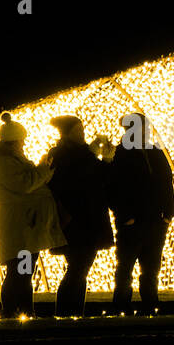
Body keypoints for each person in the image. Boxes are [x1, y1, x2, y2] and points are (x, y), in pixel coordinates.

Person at [0, 112, 66, 316]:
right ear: (14, 141)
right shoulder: (2, 162)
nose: (23, 143)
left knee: (25, 272)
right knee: (19, 272)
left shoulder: (11, 159)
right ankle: (12, 311)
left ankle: (24, 311)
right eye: (21, 140)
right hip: (19, 228)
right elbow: (25, 184)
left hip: (26, 228)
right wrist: (45, 169)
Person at [107, 112, 174, 314]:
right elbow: (113, 188)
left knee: (151, 266)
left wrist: (167, 213)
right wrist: (125, 216)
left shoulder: (155, 151)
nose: (147, 130)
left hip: (155, 219)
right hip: (133, 221)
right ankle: (121, 304)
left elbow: (167, 183)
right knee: (126, 266)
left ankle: (149, 302)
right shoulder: (121, 154)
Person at [45, 114, 113, 315]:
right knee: (78, 269)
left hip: (89, 220)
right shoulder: (60, 154)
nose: (82, 134)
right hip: (75, 223)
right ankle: (66, 313)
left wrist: (107, 158)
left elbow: (99, 176)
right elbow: (75, 179)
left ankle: (74, 313)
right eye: (78, 131)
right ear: (67, 133)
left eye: (83, 130)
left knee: (79, 270)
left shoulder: (83, 152)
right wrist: (94, 153)